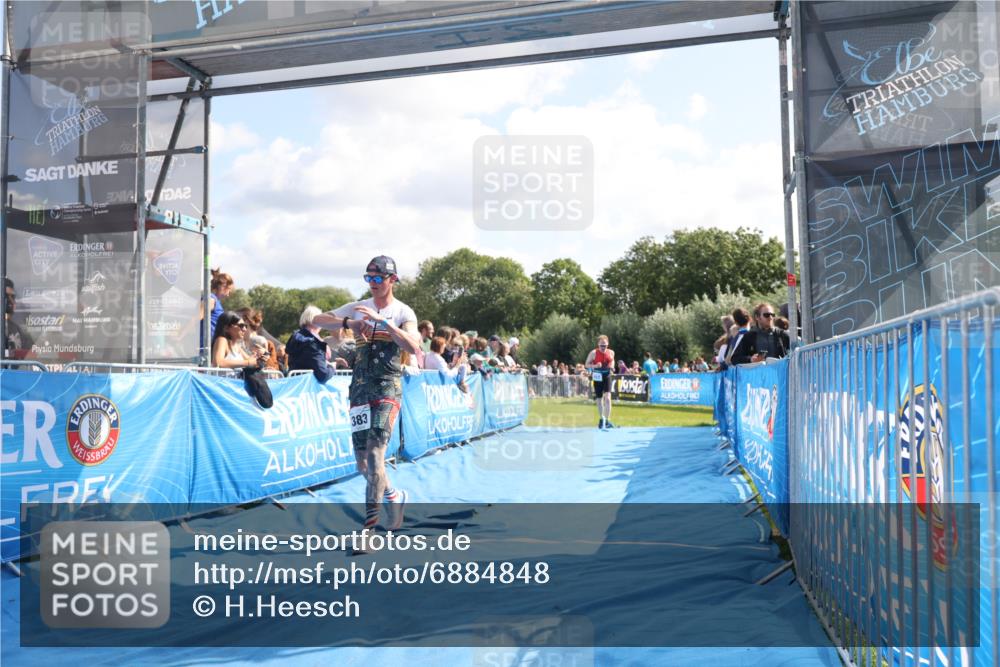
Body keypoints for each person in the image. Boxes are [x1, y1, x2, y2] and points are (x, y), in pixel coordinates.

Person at [313, 256, 420, 540]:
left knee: (375, 455)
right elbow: (316, 320)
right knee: (363, 463)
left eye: (377, 279)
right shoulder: (359, 307)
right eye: (368, 279)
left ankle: (369, 529)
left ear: (392, 280)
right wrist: (349, 321)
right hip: (359, 389)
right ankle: (394, 497)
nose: (372, 284)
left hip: (387, 388)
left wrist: (382, 323)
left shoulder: (403, 312)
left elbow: (413, 345)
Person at [286, 305, 336, 383]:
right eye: (321, 319)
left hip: (294, 385)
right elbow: (323, 375)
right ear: (317, 320)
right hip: (308, 389)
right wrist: (332, 367)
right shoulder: (312, 343)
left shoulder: (295, 337)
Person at [584, 335, 616, 429]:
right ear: (598, 344)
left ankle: (607, 420)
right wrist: (595, 366)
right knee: (599, 398)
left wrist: (612, 366)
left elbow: (613, 361)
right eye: (601, 345)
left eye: (605, 345)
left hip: (607, 375)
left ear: (608, 344)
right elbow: (586, 364)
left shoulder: (611, 352)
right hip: (597, 376)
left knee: (608, 398)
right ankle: (602, 419)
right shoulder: (593, 353)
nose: (603, 347)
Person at [4, 277, 33, 358]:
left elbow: (31, 352)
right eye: (5, 296)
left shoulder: (17, 329)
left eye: (12, 297)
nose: (10, 301)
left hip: (15, 370)